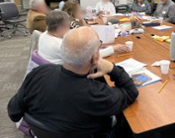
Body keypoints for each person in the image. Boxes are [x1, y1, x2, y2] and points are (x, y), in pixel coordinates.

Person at [8, 27, 139, 136]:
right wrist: (112, 68)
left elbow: (14, 113)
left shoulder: (38, 73)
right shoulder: (98, 95)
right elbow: (130, 91)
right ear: (95, 58)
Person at [38, 11, 130, 63]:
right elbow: (90, 57)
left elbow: (69, 34)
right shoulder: (61, 46)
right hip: (67, 77)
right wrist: (113, 49)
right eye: (67, 25)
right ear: (60, 27)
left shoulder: (44, 35)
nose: (69, 27)